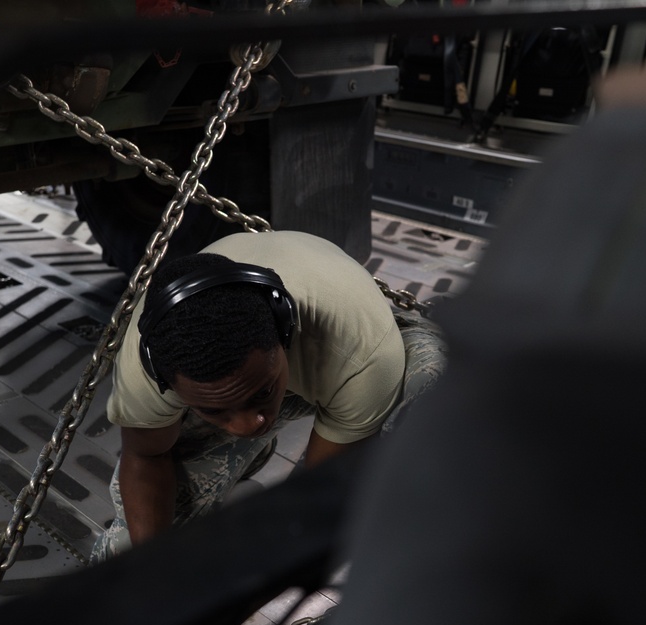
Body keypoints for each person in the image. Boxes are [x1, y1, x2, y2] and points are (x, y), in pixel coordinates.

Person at [90, 230, 414, 562]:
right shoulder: (144, 370)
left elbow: (314, 494)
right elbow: (146, 457)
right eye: (215, 410)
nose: (248, 425)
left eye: (261, 394)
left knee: (424, 390)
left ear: (283, 332)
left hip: (331, 359)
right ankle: (249, 437)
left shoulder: (362, 355)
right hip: (290, 369)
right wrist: (149, 570)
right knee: (129, 553)